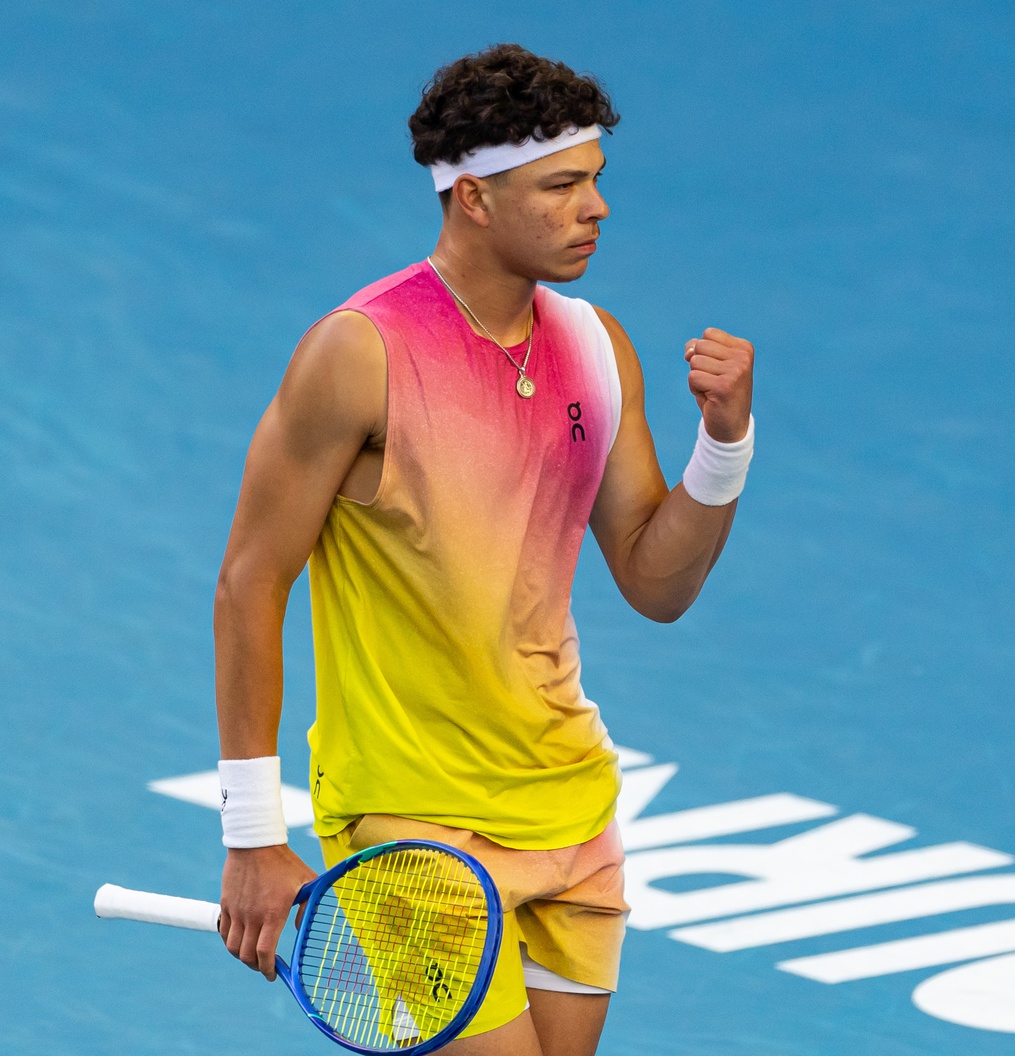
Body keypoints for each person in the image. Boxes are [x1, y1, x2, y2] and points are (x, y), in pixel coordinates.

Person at [211, 43, 754, 1056]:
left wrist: (724, 448)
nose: (596, 208)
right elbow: (251, 579)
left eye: (595, 180)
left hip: (569, 807)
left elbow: (655, 581)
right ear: (472, 198)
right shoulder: (358, 353)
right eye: (560, 186)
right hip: (410, 819)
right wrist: (251, 834)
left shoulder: (598, 347)